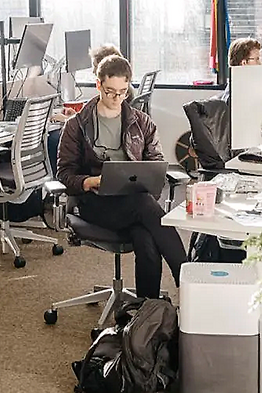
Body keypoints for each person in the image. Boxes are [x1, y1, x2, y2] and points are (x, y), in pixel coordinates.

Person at [56, 55, 186, 299]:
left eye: (123, 92)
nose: (117, 98)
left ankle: (146, 307)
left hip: (134, 203)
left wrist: (147, 181)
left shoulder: (142, 122)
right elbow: (64, 173)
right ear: (98, 85)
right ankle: (187, 279)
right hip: (96, 204)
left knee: (146, 237)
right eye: (110, 92)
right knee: (145, 207)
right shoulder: (77, 125)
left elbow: (156, 165)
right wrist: (89, 181)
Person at [220, 37, 262, 102]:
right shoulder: (233, 96)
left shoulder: (251, 86)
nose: (260, 63)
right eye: (257, 59)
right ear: (244, 63)